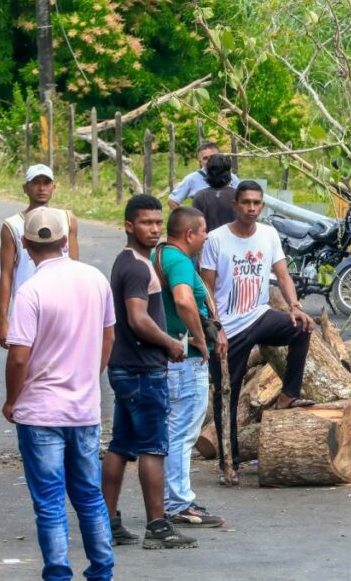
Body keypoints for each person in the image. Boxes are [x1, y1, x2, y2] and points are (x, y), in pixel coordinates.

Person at [3, 208, 116, 580]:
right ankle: (101, 570)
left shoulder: (31, 291)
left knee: (49, 502)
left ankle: (58, 574)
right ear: (66, 241)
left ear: (25, 244)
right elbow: (108, 336)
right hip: (83, 410)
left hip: (39, 412)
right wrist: (88, 375)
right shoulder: (95, 279)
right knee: (89, 495)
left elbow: (19, 357)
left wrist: (11, 400)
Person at [201, 181, 317, 485]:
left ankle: (288, 396)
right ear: (235, 205)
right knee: (227, 394)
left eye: (257, 203)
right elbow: (206, 286)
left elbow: (282, 273)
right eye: (246, 203)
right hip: (229, 328)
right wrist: (215, 327)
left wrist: (294, 305)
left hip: (259, 315)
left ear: (262, 206)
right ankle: (230, 462)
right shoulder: (215, 239)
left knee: (301, 328)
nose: (251, 208)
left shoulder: (268, 235)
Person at [103, 195, 195, 549]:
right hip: (143, 371)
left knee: (121, 446)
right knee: (154, 448)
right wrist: (170, 343)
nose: (154, 228)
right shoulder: (138, 267)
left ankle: (108, 523)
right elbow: (138, 319)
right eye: (146, 222)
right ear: (129, 225)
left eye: (158, 222)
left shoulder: (126, 261)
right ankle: (158, 526)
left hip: (125, 367)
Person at [152, 207, 227, 528]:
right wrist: (199, 337)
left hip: (172, 358)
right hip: (186, 359)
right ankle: (178, 502)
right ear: (189, 234)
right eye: (203, 232)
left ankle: (174, 499)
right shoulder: (179, 261)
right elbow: (184, 300)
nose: (206, 238)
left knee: (174, 430)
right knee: (182, 432)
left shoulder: (162, 255)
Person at [0, 163, 79, 348]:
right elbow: (6, 274)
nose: (41, 188)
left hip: (61, 304)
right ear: (25, 188)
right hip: (27, 305)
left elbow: (74, 267)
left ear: (53, 187)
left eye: (46, 183)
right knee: (26, 360)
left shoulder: (67, 219)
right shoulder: (13, 225)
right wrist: (3, 320)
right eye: (35, 183)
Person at [167, 142, 240, 209]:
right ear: (200, 162)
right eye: (205, 158)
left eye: (212, 156)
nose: (209, 161)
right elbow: (172, 201)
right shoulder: (192, 179)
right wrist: (188, 218)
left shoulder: (232, 178)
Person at [192, 153, 237, 232]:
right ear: (228, 172)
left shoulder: (199, 196)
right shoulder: (238, 195)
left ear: (208, 172)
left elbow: (195, 227)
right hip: (234, 242)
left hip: (206, 242)